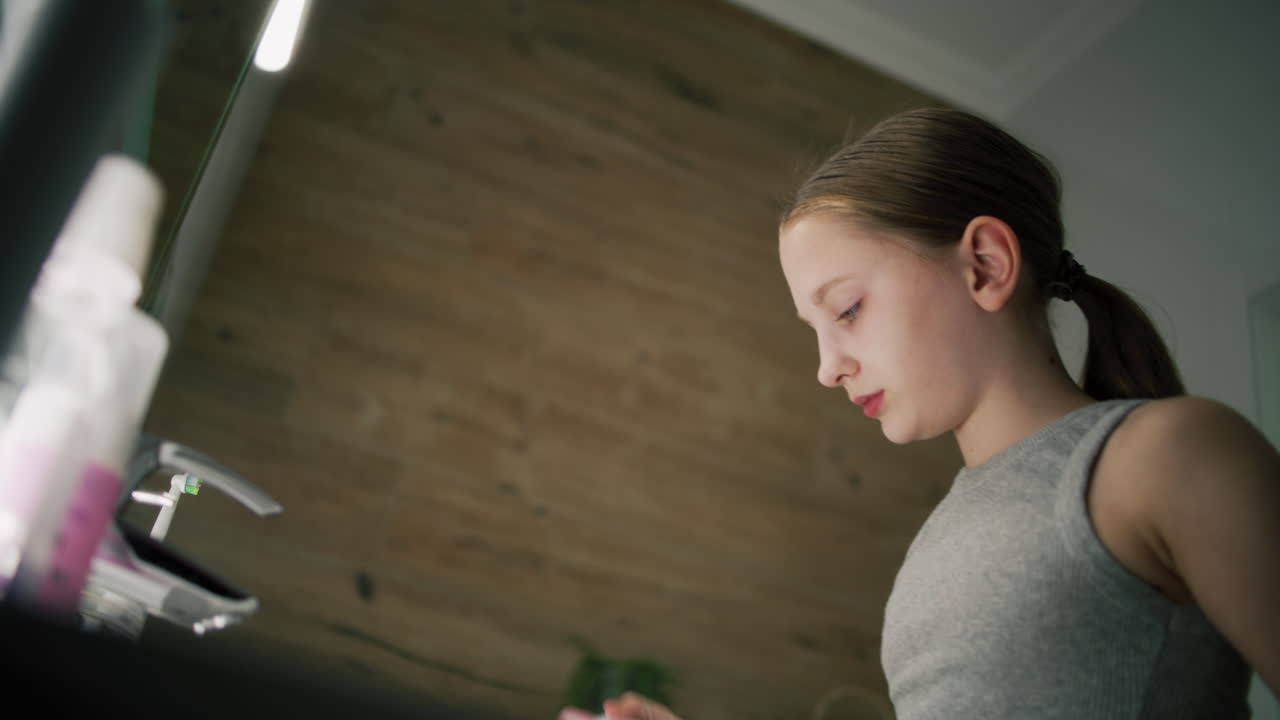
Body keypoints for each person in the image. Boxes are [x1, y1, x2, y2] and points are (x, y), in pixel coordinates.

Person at [558, 107, 1280, 720]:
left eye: (847, 309)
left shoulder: (1166, 455)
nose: (827, 367)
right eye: (815, 330)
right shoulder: (939, 541)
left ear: (985, 265)